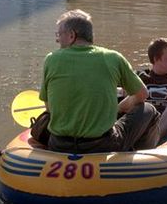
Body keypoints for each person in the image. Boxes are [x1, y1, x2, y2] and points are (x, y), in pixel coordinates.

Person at [40, 9, 160, 153]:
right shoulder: (113, 58)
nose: (57, 40)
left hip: (59, 144)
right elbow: (142, 95)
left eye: (59, 35)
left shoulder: (51, 59)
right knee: (148, 109)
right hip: (102, 145)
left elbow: (49, 109)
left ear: (72, 35)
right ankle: (141, 157)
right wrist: (120, 108)